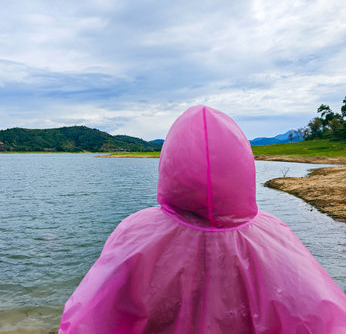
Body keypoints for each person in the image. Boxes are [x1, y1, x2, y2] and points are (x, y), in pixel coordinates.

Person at [59, 105, 346, 333]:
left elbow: (88, 319)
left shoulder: (133, 232)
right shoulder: (278, 236)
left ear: (169, 161)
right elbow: (323, 318)